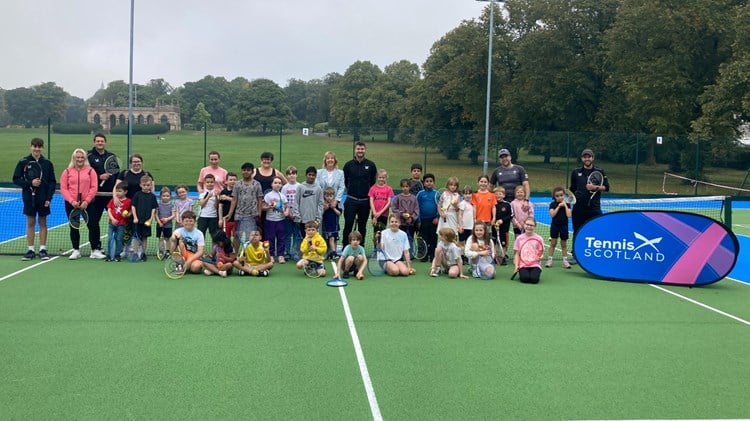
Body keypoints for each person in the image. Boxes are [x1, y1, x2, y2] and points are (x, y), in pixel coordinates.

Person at [12, 138, 56, 261]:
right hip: (29, 198)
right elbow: (16, 179)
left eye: (39, 146)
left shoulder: (47, 163)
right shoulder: (23, 162)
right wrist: (30, 183)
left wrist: (49, 198)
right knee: (30, 223)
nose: (37, 149)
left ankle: (42, 249)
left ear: (42, 148)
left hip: (43, 199)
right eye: (34, 146)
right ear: (31, 147)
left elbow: (52, 182)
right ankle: (30, 250)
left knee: (43, 223)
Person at [60, 148, 98, 260]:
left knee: (93, 226)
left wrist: (87, 201)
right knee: (74, 227)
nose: (80, 159)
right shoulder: (67, 172)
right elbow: (63, 188)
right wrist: (72, 201)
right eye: (78, 157)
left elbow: (94, 187)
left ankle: (94, 250)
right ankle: (76, 250)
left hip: (87, 204)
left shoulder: (90, 171)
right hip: (72, 204)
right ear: (74, 158)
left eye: (82, 157)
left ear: (85, 158)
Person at [569, 148, 609, 246]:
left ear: (593, 158)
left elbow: (606, 187)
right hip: (578, 208)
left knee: (596, 230)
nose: (587, 159)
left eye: (589, 157)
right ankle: (575, 253)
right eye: (585, 157)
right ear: (582, 158)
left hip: (594, 208)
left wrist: (594, 187)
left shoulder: (599, 171)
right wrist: (570, 201)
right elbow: (572, 189)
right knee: (577, 231)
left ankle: (593, 253)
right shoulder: (575, 172)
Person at [86, 133, 117, 259]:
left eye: (102, 141)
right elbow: (85, 174)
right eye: (98, 141)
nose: (100, 143)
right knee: (94, 222)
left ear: (105, 142)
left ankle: (119, 247)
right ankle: (96, 247)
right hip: (96, 195)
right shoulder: (88, 157)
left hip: (110, 195)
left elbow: (116, 173)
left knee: (117, 221)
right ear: (94, 142)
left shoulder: (111, 157)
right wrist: (99, 177)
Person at [342, 141, 377, 246]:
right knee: (348, 224)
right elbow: (345, 181)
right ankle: (345, 247)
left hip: (364, 201)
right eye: (358, 149)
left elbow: (372, 182)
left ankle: (361, 247)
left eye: (362, 149)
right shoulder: (348, 165)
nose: (360, 151)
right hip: (351, 200)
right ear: (355, 150)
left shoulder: (371, 165)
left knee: (362, 226)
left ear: (365, 150)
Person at [228, 162, 264, 246]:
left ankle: (249, 254)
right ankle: (235, 255)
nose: (246, 172)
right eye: (244, 170)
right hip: (239, 214)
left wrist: (259, 213)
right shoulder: (237, 184)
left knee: (251, 236)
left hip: (252, 214)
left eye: (248, 170)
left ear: (252, 172)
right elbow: (234, 199)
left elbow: (260, 199)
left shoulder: (257, 184)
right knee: (236, 235)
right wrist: (230, 214)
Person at [130, 174, 158, 261]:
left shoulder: (152, 196)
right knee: (136, 237)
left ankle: (143, 253)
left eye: (148, 185)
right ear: (140, 185)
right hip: (137, 220)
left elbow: (154, 208)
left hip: (147, 221)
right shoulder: (137, 194)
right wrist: (135, 217)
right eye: (144, 185)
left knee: (145, 237)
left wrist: (151, 219)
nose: (146, 187)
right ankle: (135, 253)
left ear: (151, 185)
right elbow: (133, 206)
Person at [263, 176, 289, 264]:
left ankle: (281, 255)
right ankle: (271, 255)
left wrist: (286, 212)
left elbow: (286, 206)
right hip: (270, 220)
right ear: (271, 184)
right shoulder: (268, 195)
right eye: (275, 183)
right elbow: (263, 206)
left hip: (281, 220)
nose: (277, 185)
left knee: (281, 238)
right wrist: (269, 207)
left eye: (279, 183)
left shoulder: (282, 196)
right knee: (270, 238)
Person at [293, 166, 324, 237]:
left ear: (315, 176)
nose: (311, 177)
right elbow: (296, 202)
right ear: (306, 175)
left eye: (313, 175)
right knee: (303, 240)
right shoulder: (300, 187)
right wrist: (297, 216)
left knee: (314, 240)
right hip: (302, 220)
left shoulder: (318, 188)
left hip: (313, 220)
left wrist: (318, 218)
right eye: (309, 175)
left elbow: (320, 204)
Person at [513, 217, 544, 284]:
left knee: (534, 280)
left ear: (535, 226)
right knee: (524, 278)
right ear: (524, 225)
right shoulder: (519, 238)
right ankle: (523, 273)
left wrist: (541, 257)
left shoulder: (539, 239)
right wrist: (516, 266)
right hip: (523, 264)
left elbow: (541, 253)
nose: (529, 227)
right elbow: (517, 254)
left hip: (535, 264)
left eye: (531, 225)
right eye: (527, 224)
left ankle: (535, 272)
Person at [547, 186, 572, 269]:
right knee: (553, 243)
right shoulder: (552, 204)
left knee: (563, 245)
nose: (559, 197)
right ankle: (550, 260)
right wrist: (558, 207)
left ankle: (565, 261)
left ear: (564, 195)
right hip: (555, 226)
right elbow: (552, 215)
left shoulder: (567, 204)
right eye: (557, 196)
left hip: (564, 226)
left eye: (561, 195)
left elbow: (569, 215)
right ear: (554, 197)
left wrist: (565, 205)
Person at [416, 173, 439, 262]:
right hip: (423, 220)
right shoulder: (420, 194)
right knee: (423, 238)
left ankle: (432, 255)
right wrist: (418, 220)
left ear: (433, 182)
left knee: (433, 238)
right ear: (424, 183)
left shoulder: (436, 193)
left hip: (433, 220)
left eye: (431, 181)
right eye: (427, 181)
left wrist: (437, 217)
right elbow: (416, 207)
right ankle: (423, 255)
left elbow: (440, 207)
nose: (429, 183)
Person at [106, 182, 131, 261]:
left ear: (125, 192)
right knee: (109, 239)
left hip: (121, 224)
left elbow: (131, 211)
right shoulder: (113, 200)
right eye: (116, 191)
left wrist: (127, 215)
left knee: (119, 239)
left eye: (120, 191)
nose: (117, 193)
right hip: (111, 223)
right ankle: (109, 255)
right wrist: (112, 219)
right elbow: (109, 210)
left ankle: (117, 255)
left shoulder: (128, 201)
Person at [392, 178, 419, 252]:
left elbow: (416, 210)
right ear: (401, 187)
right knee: (400, 238)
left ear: (409, 187)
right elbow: (394, 208)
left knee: (410, 238)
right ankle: (399, 252)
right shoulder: (398, 197)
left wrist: (411, 218)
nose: (405, 188)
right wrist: (401, 214)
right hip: (401, 223)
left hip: (411, 223)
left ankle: (410, 253)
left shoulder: (414, 198)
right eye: (403, 186)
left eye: (407, 186)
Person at [281, 166, 302, 261]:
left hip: (297, 215)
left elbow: (301, 201)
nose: (291, 175)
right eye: (289, 174)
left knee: (297, 234)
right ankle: (287, 251)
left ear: (296, 175)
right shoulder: (285, 188)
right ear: (287, 176)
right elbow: (283, 201)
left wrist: (296, 214)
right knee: (288, 234)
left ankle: (295, 252)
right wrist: (288, 213)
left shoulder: (300, 186)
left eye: (293, 173)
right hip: (288, 215)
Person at [368, 168, 394, 234]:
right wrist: (375, 213)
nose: (381, 179)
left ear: (386, 178)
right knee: (376, 232)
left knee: (382, 232)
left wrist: (380, 212)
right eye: (380, 177)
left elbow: (389, 203)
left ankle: (381, 244)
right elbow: (371, 201)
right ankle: (376, 244)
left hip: (384, 214)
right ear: (377, 177)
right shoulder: (373, 188)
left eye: (383, 177)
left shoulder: (389, 189)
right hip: (374, 214)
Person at [493, 186, 512, 265]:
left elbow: (510, 215)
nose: (498, 195)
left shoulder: (507, 205)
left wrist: (502, 220)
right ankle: (496, 257)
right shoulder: (493, 204)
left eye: (500, 194)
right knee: (494, 242)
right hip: (494, 228)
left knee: (503, 243)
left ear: (504, 195)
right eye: (496, 194)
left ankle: (503, 257)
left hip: (504, 229)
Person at [218, 172, 238, 249]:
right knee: (226, 236)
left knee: (236, 236)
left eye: (234, 180)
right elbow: (220, 206)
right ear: (226, 181)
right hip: (226, 219)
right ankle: (227, 251)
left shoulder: (238, 191)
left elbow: (238, 202)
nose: (233, 181)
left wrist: (227, 198)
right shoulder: (223, 192)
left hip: (236, 219)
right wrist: (220, 219)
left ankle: (234, 252)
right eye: (231, 179)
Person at [321, 187, 341, 260]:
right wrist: (324, 209)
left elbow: (339, 213)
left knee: (333, 239)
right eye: (327, 196)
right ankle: (330, 253)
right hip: (326, 225)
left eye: (330, 196)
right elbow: (320, 214)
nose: (329, 198)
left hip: (334, 225)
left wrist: (334, 208)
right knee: (327, 239)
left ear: (333, 196)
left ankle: (333, 252)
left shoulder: (335, 204)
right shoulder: (323, 204)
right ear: (324, 196)